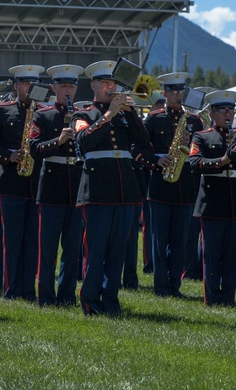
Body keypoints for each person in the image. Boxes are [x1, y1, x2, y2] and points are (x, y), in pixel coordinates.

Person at [73, 60, 150, 316]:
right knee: (95, 250)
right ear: (93, 84)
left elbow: (143, 141)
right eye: (104, 82)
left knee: (118, 250)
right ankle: (90, 301)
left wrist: (130, 112)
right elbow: (84, 141)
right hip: (97, 190)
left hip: (125, 190)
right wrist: (109, 115)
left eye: (112, 83)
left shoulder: (126, 114)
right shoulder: (83, 113)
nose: (109, 87)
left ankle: (111, 301)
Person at [0, 65, 45, 301]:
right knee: (12, 240)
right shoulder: (2, 112)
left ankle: (29, 291)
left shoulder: (44, 111)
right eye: (24, 83)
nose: (28, 88)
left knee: (33, 241)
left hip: (37, 183)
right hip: (10, 183)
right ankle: (11, 290)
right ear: (16, 85)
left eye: (32, 84)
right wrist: (7, 156)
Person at [140, 71, 205, 298]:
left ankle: (175, 285)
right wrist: (156, 160)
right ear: (165, 93)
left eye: (181, 91)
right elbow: (138, 149)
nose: (178, 94)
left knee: (180, 241)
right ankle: (160, 286)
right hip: (160, 185)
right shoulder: (154, 118)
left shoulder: (195, 120)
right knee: (160, 240)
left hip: (185, 185)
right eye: (174, 91)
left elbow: (201, 150)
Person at [29, 64, 85, 307]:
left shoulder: (83, 114)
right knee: (48, 250)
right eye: (63, 86)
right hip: (52, 188)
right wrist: (58, 140)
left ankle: (67, 296)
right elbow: (33, 149)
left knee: (72, 250)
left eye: (72, 85)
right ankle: (46, 298)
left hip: (77, 188)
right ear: (54, 88)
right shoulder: (43, 114)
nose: (68, 90)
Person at [187, 90, 236, 306]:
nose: (228, 114)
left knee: (232, 255)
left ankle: (229, 298)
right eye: (222, 110)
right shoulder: (202, 136)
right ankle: (212, 298)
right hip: (212, 202)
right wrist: (223, 160)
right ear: (212, 113)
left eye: (231, 110)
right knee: (212, 254)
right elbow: (195, 164)